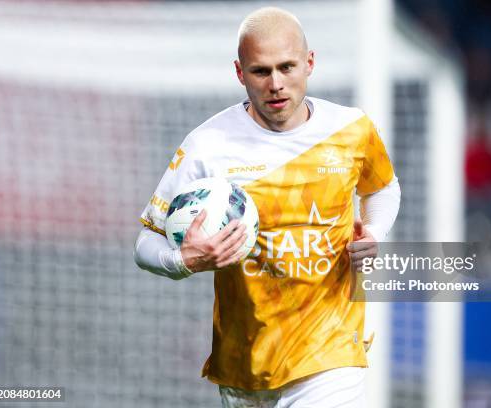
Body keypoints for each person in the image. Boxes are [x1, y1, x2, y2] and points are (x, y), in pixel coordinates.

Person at [134, 7, 400, 407]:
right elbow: (144, 245)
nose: (276, 83)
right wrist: (184, 259)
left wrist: (375, 232)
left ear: (309, 63)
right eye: (261, 71)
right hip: (246, 362)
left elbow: (383, 188)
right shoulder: (208, 145)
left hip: (330, 351)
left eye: (287, 67)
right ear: (240, 73)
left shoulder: (351, 130)